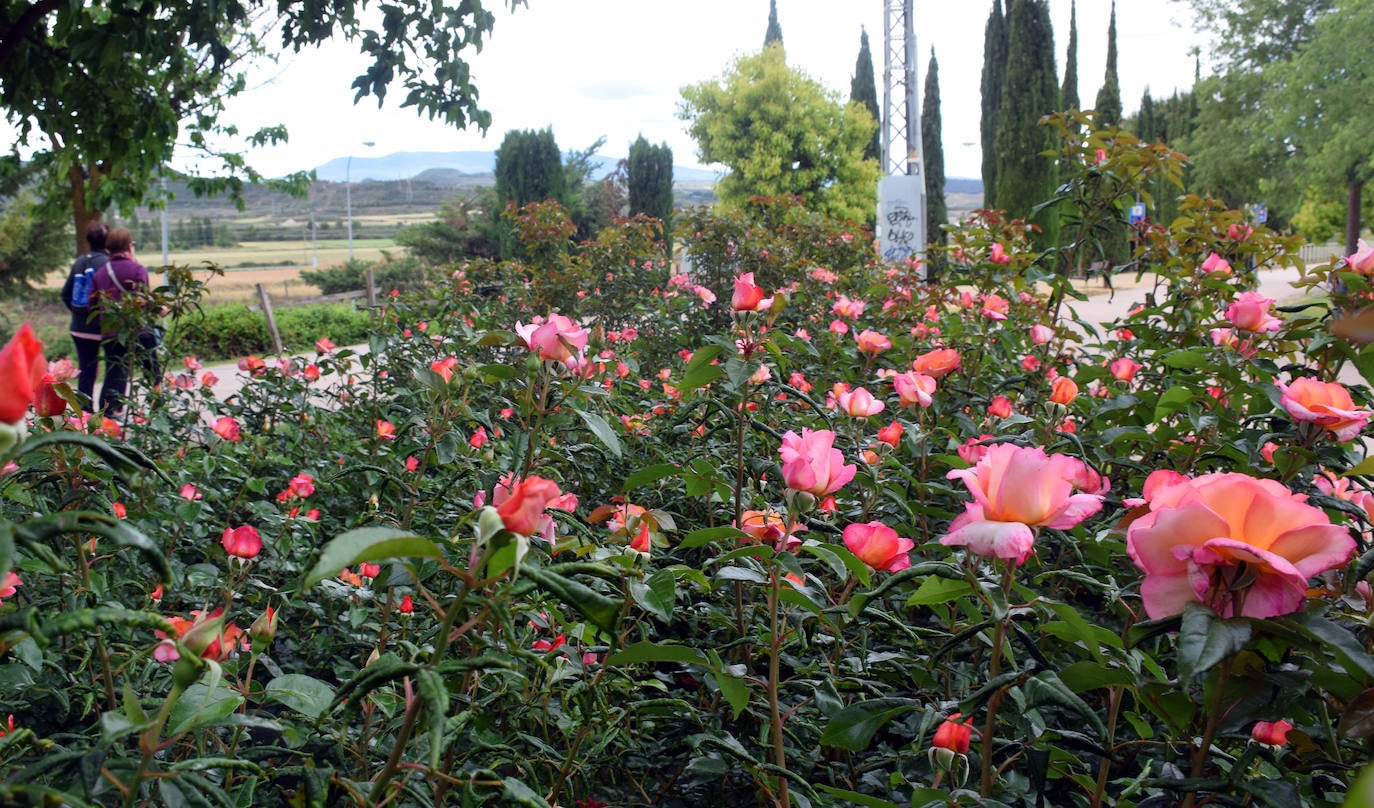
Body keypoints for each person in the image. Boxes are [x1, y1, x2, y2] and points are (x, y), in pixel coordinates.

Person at [92, 227, 160, 416]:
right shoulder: (137, 269)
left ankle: (108, 415)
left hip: (110, 331)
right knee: (152, 371)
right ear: (129, 246)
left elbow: (93, 303)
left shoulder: (100, 273)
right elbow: (144, 300)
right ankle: (157, 410)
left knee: (114, 372)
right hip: (136, 329)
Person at [60, 220, 111, 408]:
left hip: (78, 328)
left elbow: (66, 294)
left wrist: (77, 313)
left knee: (86, 371)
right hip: (101, 326)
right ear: (107, 241)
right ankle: (107, 414)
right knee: (113, 369)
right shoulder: (107, 263)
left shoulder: (80, 261)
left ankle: (84, 415)